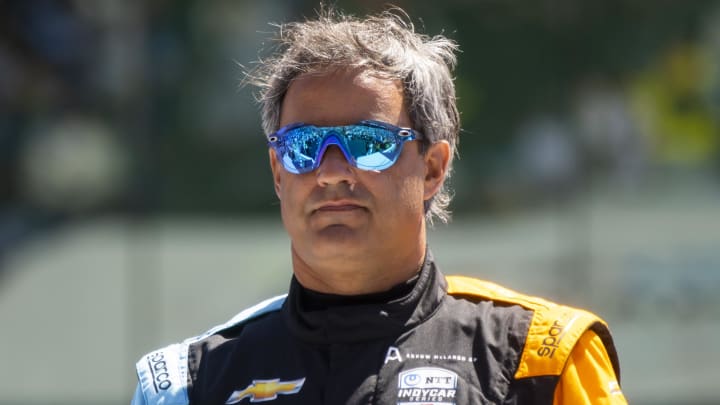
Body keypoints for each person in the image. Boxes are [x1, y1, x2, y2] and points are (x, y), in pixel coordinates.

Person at [132, 7, 627, 405]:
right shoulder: (187, 383)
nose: (330, 171)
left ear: (433, 168)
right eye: (303, 146)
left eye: (367, 142)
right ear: (278, 174)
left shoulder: (542, 359)